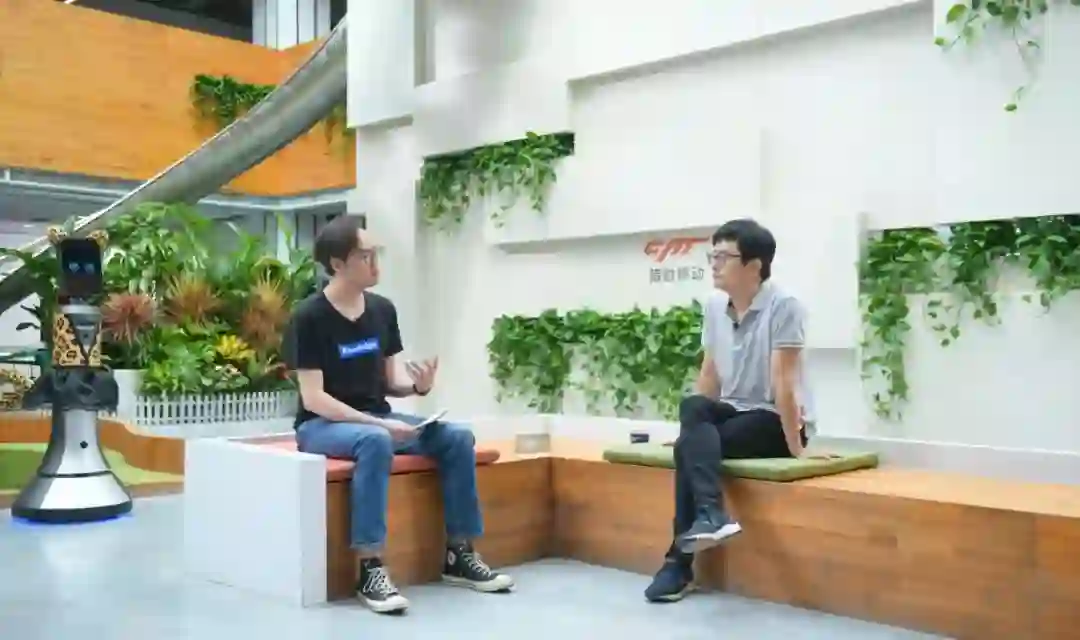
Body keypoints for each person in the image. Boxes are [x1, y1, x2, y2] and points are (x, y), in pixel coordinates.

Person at [282, 215, 514, 614]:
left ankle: (459, 553)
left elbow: (388, 383)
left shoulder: (382, 310)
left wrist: (417, 388)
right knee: (375, 441)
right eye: (365, 256)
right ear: (337, 264)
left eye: (376, 254)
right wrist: (378, 424)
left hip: (375, 418)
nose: (375, 264)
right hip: (322, 426)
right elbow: (314, 398)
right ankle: (370, 568)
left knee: (457, 437)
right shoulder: (309, 317)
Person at [644, 218, 814, 603]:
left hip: (775, 419)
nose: (714, 264)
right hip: (732, 412)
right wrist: (691, 427)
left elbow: (784, 383)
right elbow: (709, 374)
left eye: (724, 257)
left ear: (754, 266)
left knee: (689, 450)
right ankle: (710, 515)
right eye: (713, 256)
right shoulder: (714, 305)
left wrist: (797, 449)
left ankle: (678, 564)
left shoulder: (785, 306)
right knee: (692, 407)